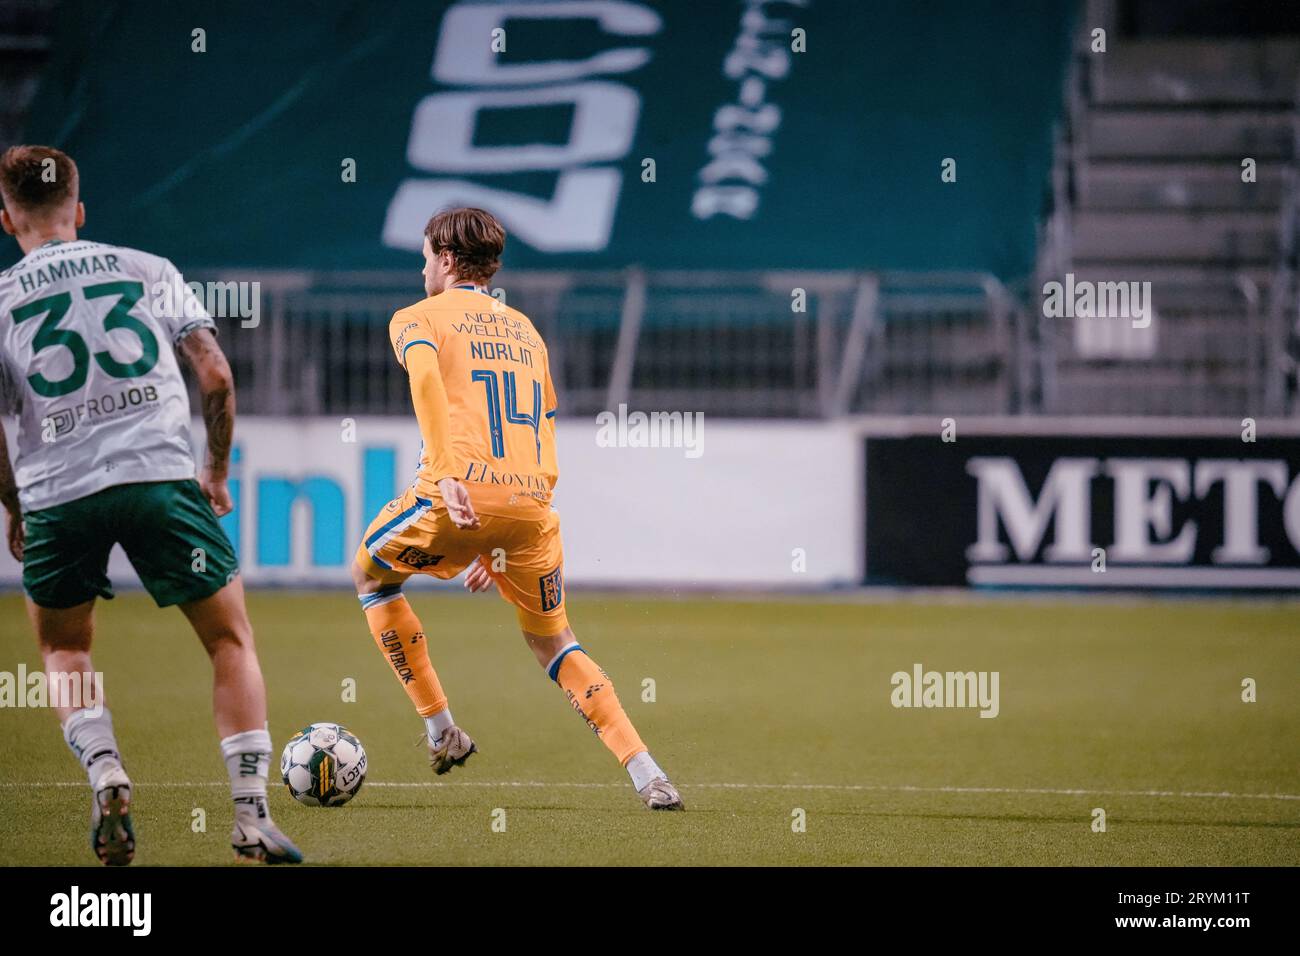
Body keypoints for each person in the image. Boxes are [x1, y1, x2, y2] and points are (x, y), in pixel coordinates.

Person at [0, 145, 301, 864]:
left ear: (7, 219)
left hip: (58, 495)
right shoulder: (147, 269)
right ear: (79, 211)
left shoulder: (3, 299)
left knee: (66, 647)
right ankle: (251, 814)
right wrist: (217, 470)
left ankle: (105, 769)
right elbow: (217, 377)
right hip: (160, 479)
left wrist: (15, 507)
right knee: (229, 642)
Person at [352, 207, 683, 810]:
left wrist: (450, 472)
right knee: (555, 643)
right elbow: (546, 423)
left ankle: (441, 731)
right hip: (530, 507)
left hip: (454, 498)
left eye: (426, 255)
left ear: (447, 260)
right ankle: (649, 774)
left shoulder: (416, 318)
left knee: (371, 578)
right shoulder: (525, 330)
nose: (423, 267)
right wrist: (505, 532)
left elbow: (424, 380)